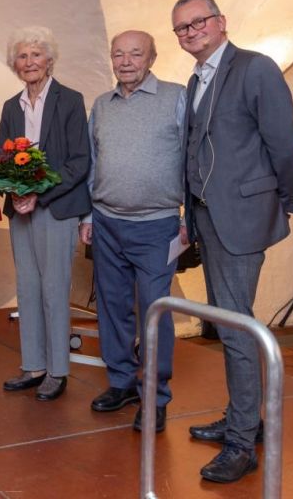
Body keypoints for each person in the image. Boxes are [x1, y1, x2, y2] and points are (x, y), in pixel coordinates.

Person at [172, 0, 293, 483]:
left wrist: (284, 202)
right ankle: (245, 417)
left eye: (197, 22)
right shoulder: (196, 78)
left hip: (242, 218)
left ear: (220, 22)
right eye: (181, 28)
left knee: (234, 328)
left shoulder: (256, 68)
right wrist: (189, 212)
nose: (190, 32)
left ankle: (242, 444)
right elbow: (196, 152)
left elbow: (287, 148)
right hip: (208, 219)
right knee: (230, 325)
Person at [80, 30, 187, 432]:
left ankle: (155, 397)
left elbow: (192, 159)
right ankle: (122, 382)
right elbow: (92, 162)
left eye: (135, 54)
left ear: (152, 58)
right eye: (118, 54)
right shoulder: (102, 105)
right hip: (107, 222)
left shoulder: (176, 98)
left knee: (155, 312)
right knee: (112, 307)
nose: (125, 62)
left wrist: (186, 217)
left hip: (158, 225)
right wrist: (88, 216)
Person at [0, 27, 90, 400]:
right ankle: (33, 366)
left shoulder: (70, 100)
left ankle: (57, 370)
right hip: (21, 209)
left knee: (54, 288)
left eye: (36, 55)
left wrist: (38, 192)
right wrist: (16, 191)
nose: (29, 62)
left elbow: (79, 161)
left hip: (57, 207)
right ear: (15, 64)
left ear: (50, 60)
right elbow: (0, 158)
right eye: (23, 56)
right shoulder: (10, 106)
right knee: (28, 288)